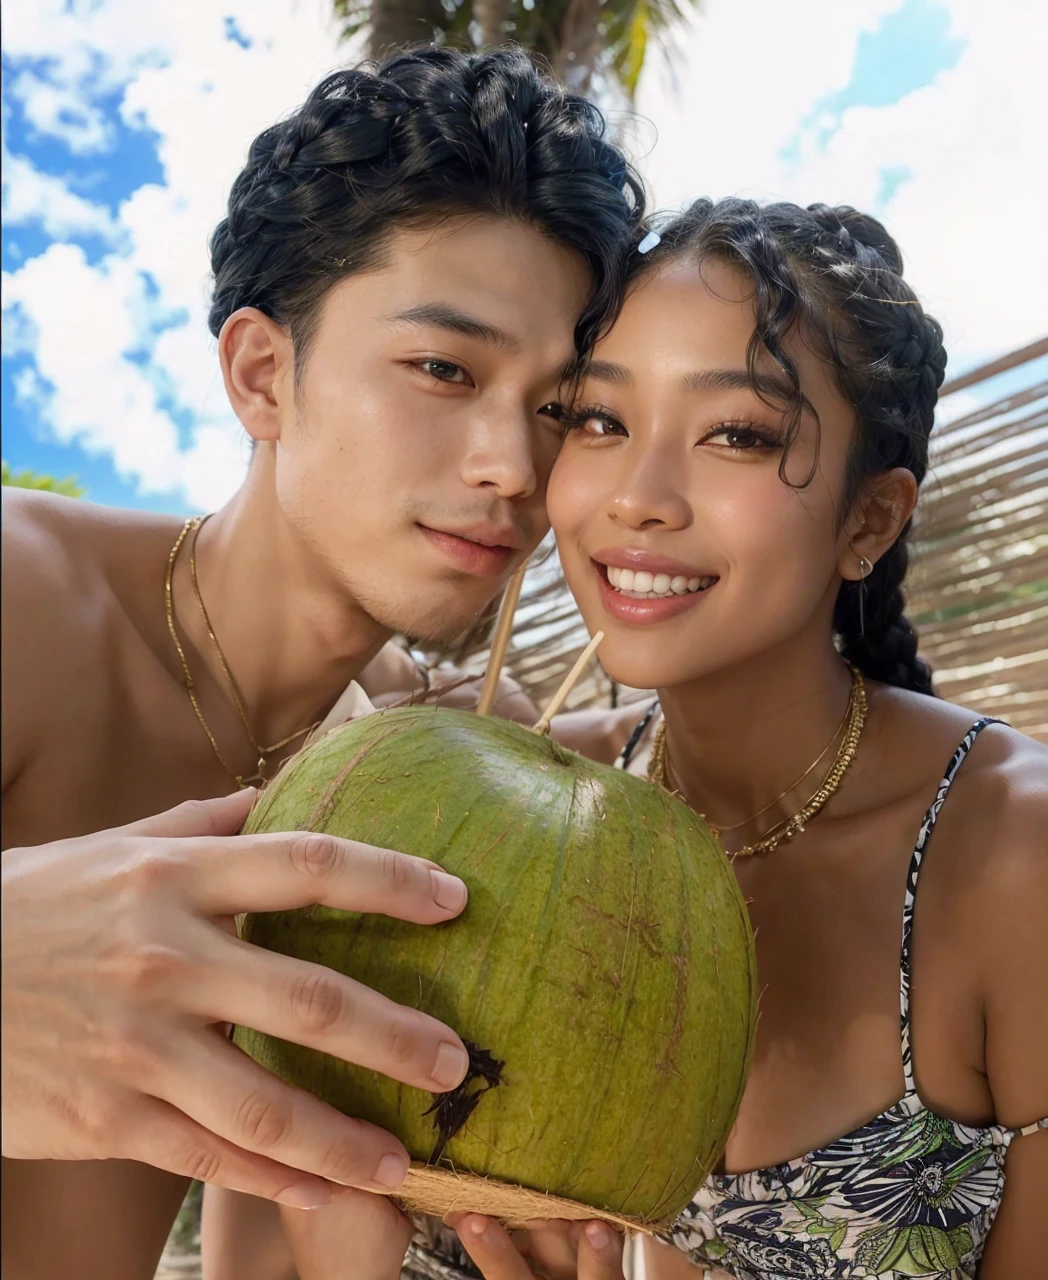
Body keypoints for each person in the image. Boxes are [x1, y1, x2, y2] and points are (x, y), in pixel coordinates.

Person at [276, 197, 1047, 1280]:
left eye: (736, 432)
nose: (637, 498)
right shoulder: (470, 806)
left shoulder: (1014, 853)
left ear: (868, 518)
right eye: (597, 420)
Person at [0, 45, 644, 1280]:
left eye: (559, 408)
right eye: (444, 368)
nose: (514, 464)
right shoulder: (25, 600)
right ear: (261, 373)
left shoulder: (450, 754)